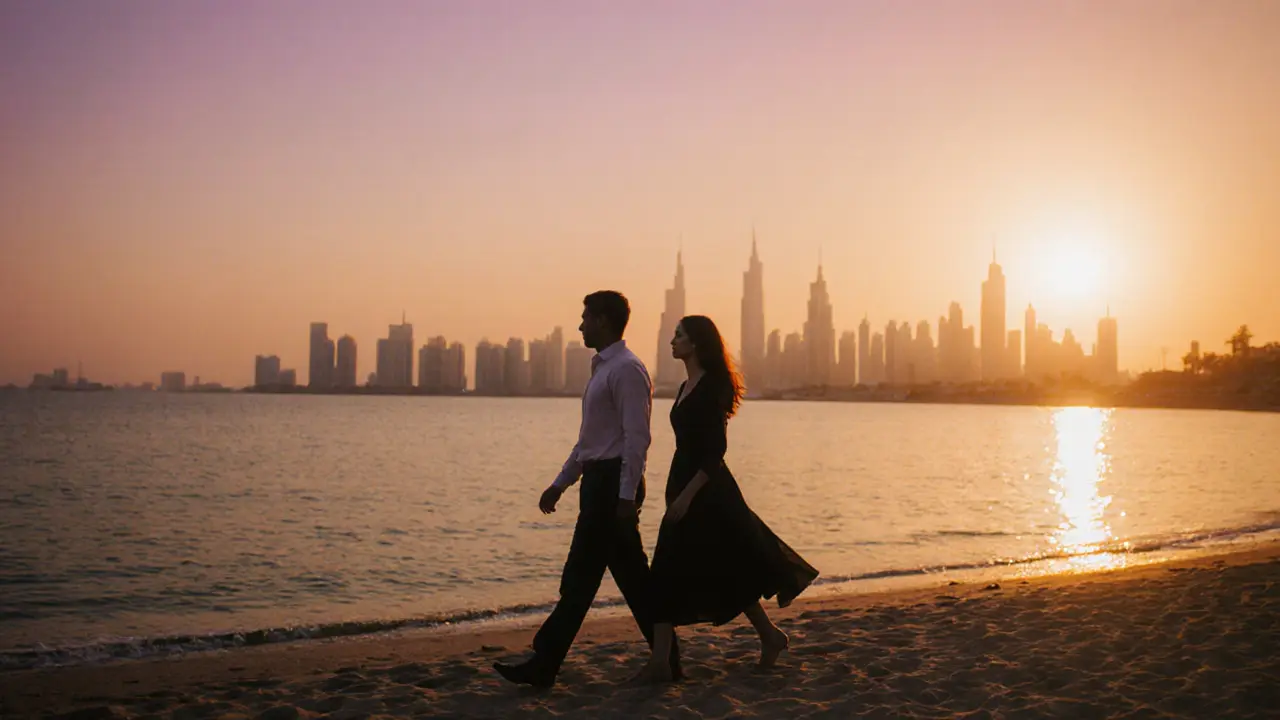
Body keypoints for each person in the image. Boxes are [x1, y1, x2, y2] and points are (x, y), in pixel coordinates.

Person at [494, 290, 680, 688]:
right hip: (599, 484)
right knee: (628, 580)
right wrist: (560, 484)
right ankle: (668, 660)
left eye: (586, 317)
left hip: (614, 486)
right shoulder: (602, 370)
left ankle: (544, 663)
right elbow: (588, 442)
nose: (580, 325)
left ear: (604, 321)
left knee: (581, 578)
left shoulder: (627, 370)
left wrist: (626, 497)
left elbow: (636, 440)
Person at [640, 315, 819, 682]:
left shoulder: (713, 385)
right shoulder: (685, 385)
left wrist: (687, 497)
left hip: (708, 490)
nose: (672, 341)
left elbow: (715, 451)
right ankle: (770, 636)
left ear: (697, 343)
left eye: (679, 336)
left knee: (668, 569)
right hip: (684, 483)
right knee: (727, 566)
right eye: (673, 335)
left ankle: (660, 663)